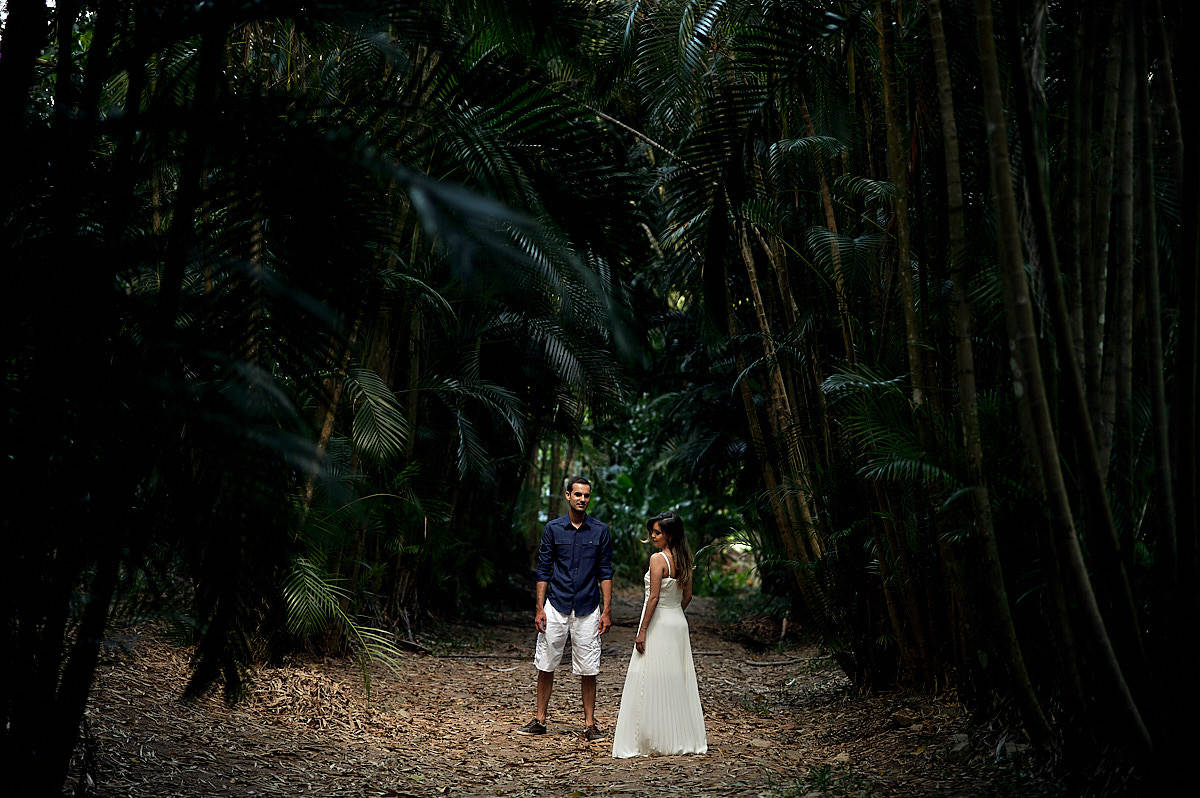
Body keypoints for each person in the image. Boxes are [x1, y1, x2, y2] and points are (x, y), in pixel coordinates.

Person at [516, 476, 613, 741]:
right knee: (546, 663)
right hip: (556, 605)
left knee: (589, 668)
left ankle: (590, 724)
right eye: (578, 494)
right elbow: (544, 569)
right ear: (567, 495)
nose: (582, 499)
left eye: (587, 496)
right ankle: (539, 719)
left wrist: (606, 611)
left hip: (588, 605)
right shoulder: (553, 529)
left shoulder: (600, 531)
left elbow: (605, 572)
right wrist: (539, 608)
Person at [611, 511, 707, 758]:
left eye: (657, 532)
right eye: (652, 532)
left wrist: (642, 630)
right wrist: (674, 612)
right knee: (676, 679)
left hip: (659, 623)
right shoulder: (685, 558)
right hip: (678, 622)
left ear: (669, 534)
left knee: (649, 677)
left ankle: (652, 738)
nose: (652, 536)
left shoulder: (657, 559)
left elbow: (653, 597)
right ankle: (680, 736)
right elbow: (687, 597)